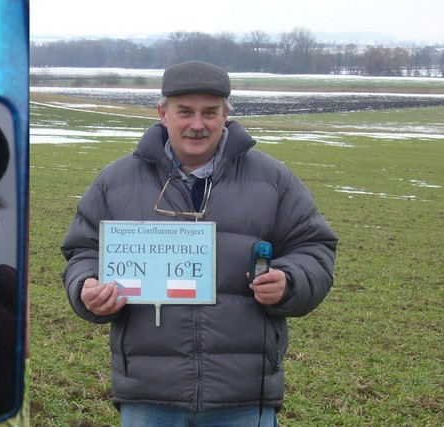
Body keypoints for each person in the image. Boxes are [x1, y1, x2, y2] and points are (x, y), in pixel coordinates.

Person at [60, 61, 337, 426]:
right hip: (148, 396)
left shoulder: (274, 180)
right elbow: (83, 251)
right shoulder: (116, 180)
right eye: (185, 112)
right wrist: (87, 288)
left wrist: (291, 281)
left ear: (227, 114)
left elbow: (315, 248)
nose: (197, 124)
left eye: (210, 112)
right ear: (163, 113)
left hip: (242, 395)